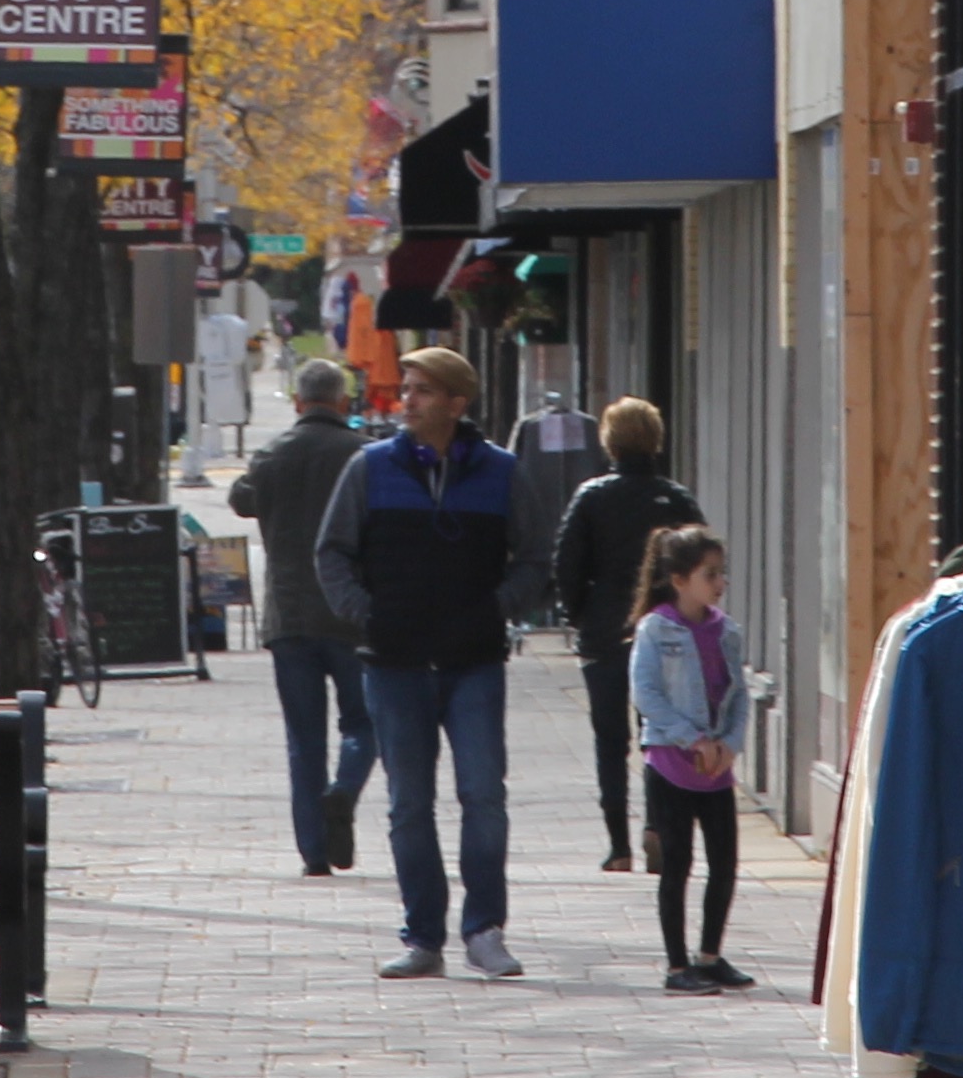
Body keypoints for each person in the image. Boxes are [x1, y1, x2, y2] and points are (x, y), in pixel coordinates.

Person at [309, 343, 530, 980]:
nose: (406, 400)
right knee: (409, 803)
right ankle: (423, 936)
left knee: (483, 795)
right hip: (395, 662)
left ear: (457, 403)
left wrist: (498, 608)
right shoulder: (370, 467)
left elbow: (536, 555)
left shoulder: (501, 472)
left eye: (422, 390)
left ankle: (484, 929)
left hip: (473, 663)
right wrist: (366, 613)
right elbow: (332, 552)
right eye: (405, 388)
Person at [227, 357, 376, 873]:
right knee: (365, 722)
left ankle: (313, 852)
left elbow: (241, 498)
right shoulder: (363, 455)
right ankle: (345, 789)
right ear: (343, 401)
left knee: (303, 738)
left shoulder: (273, 454)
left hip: (288, 617)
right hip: (351, 612)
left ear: (297, 402)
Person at [540, 398, 699, 875]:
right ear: (656, 439)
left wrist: (579, 615)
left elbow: (565, 563)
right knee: (660, 733)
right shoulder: (675, 498)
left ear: (609, 441)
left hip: (605, 633)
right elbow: (700, 560)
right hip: (666, 632)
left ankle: (618, 846)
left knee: (610, 741)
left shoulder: (592, 497)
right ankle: (658, 826)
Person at [625, 523, 753, 991]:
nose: (720, 582)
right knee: (677, 864)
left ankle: (710, 955)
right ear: (679, 580)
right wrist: (691, 739)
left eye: (722, 572)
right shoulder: (656, 629)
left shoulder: (726, 631)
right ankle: (677, 966)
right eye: (709, 574)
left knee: (724, 862)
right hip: (671, 764)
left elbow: (739, 696)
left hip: (716, 768)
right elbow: (646, 694)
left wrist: (729, 745)